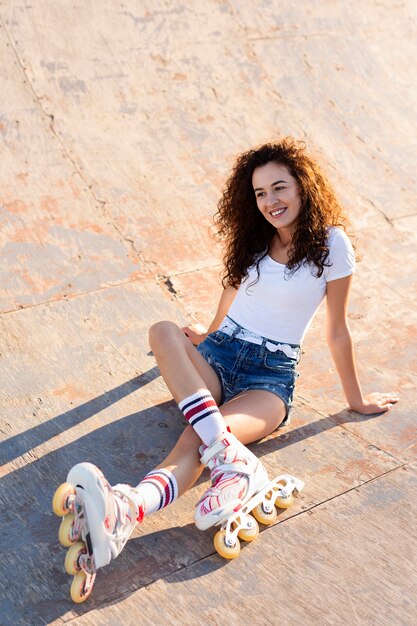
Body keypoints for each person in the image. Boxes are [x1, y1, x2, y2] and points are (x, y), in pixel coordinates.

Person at [56, 137, 399, 598]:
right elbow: (233, 291)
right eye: (260, 194)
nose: (270, 202)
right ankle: (218, 474)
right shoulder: (254, 238)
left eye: (279, 188)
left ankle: (130, 506)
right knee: (163, 331)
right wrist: (209, 331)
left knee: (195, 437)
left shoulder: (332, 243)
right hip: (221, 352)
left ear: (303, 186)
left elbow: (337, 329)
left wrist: (356, 400)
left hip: (270, 376)